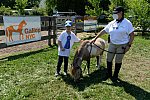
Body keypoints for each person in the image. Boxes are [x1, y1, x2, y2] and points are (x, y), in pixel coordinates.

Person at [91, 6, 134, 82]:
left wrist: (129, 45)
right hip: (112, 44)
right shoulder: (112, 22)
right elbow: (104, 31)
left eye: (116, 13)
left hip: (122, 45)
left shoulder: (127, 23)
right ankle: (109, 74)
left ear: (121, 13)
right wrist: (95, 38)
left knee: (118, 60)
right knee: (109, 59)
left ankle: (115, 75)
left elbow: (132, 35)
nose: (114, 15)